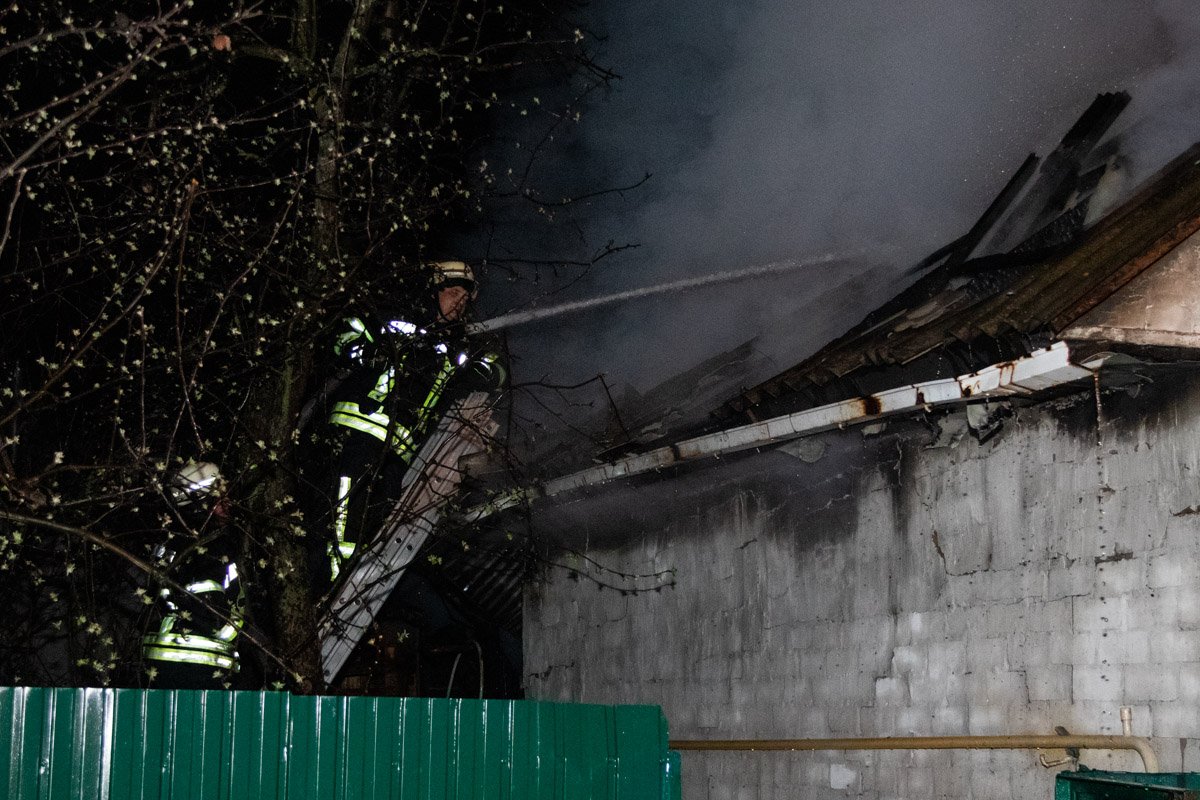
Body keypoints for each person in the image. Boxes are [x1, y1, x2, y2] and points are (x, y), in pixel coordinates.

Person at [323, 260, 505, 579]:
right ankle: (333, 577)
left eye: (464, 295)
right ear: (432, 292)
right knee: (345, 518)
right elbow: (346, 331)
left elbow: (495, 370)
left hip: (398, 450)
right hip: (359, 431)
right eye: (450, 292)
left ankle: (353, 575)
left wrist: (477, 366)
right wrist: (364, 350)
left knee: (379, 522)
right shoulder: (397, 320)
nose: (458, 300)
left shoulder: (458, 345)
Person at [142, 461, 244, 688]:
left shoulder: (173, 539)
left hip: (164, 663)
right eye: (219, 499)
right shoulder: (207, 545)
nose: (228, 504)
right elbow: (213, 612)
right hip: (195, 663)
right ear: (201, 502)